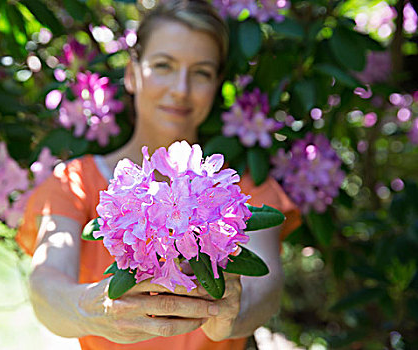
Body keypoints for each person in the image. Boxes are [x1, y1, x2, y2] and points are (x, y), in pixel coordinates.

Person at [16, 0, 301, 349]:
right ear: (133, 74)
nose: (181, 89)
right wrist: (89, 310)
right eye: (164, 65)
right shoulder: (74, 184)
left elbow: (266, 289)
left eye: (201, 72)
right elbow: (46, 285)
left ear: (216, 85)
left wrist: (232, 315)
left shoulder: (240, 186)